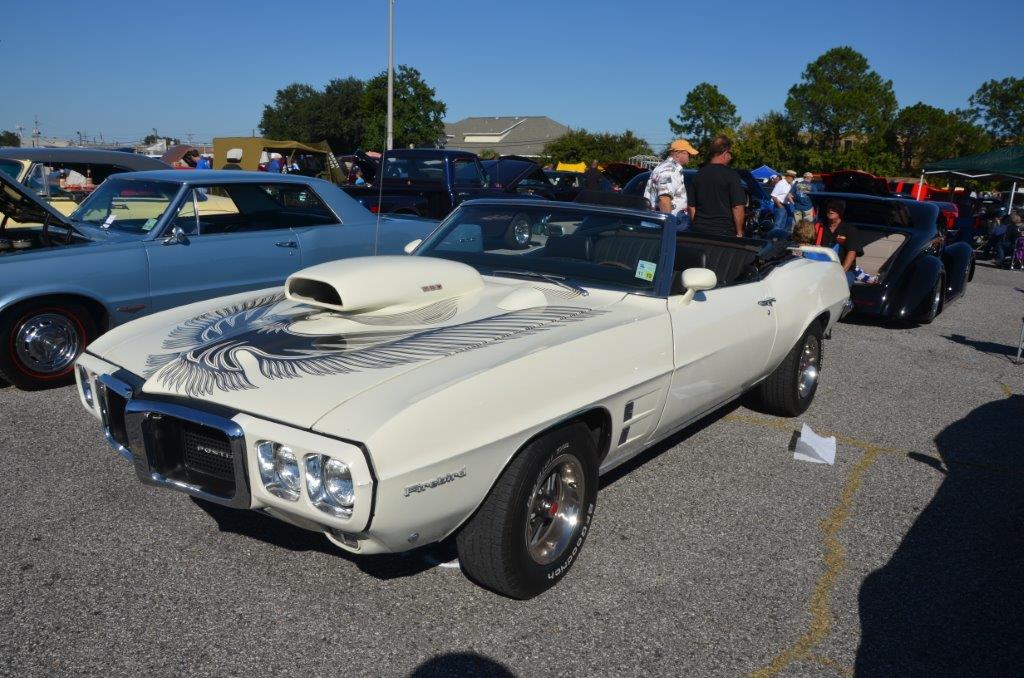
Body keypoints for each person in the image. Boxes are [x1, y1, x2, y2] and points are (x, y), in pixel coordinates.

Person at [690, 135, 745, 238]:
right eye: (731, 154)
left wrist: (696, 225)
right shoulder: (732, 175)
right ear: (725, 153)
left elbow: (691, 206)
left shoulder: (698, 175)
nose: (731, 157)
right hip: (723, 233)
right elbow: (737, 207)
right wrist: (739, 232)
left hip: (699, 231)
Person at [793, 218, 878, 283]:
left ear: (794, 235)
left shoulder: (791, 251)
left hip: (805, 277)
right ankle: (869, 279)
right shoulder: (819, 251)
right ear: (813, 234)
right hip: (824, 275)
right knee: (855, 269)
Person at [645, 139, 698, 229]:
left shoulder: (663, 167)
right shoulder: (670, 170)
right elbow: (664, 199)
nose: (690, 157)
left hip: (655, 226)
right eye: (688, 154)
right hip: (664, 229)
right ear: (677, 154)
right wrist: (668, 227)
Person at [817, 200, 865, 286]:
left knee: (840, 285)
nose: (830, 210)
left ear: (841, 211)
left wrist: (840, 273)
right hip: (821, 269)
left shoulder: (850, 229)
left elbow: (852, 253)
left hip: (844, 270)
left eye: (834, 208)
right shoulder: (819, 227)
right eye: (829, 208)